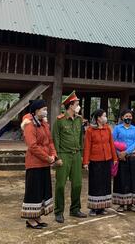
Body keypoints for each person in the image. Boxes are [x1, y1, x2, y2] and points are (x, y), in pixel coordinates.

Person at [52, 91, 87, 223]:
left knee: (77, 184)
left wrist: (82, 156)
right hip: (64, 155)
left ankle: (75, 209)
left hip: (76, 155)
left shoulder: (79, 120)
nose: (79, 106)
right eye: (77, 103)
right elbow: (55, 139)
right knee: (60, 184)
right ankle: (59, 212)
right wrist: (57, 157)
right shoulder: (59, 121)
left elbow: (80, 139)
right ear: (70, 105)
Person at [21, 100, 56, 229]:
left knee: (42, 190)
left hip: (45, 163)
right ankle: (30, 219)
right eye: (43, 109)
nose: (45, 111)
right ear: (36, 110)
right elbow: (33, 146)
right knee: (33, 190)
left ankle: (37, 216)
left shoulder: (44, 124)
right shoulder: (30, 125)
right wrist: (47, 157)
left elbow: (50, 141)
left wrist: (53, 155)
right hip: (35, 163)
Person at [83, 109, 118, 216]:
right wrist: (85, 161)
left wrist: (115, 158)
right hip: (95, 160)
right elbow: (87, 146)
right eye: (104, 116)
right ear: (98, 118)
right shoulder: (90, 130)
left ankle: (102, 207)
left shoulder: (107, 128)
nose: (105, 118)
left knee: (105, 183)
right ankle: (94, 207)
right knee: (95, 183)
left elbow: (111, 144)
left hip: (107, 159)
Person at [112, 109, 135, 212]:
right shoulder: (117, 128)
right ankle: (121, 203)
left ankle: (132, 203)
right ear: (122, 117)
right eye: (126, 116)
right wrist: (119, 153)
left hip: (132, 156)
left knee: (133, 179)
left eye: (130, 116)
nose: (128, 118)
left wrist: (126, 152)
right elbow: (113, 141)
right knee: (121, 179)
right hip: (120, 157)